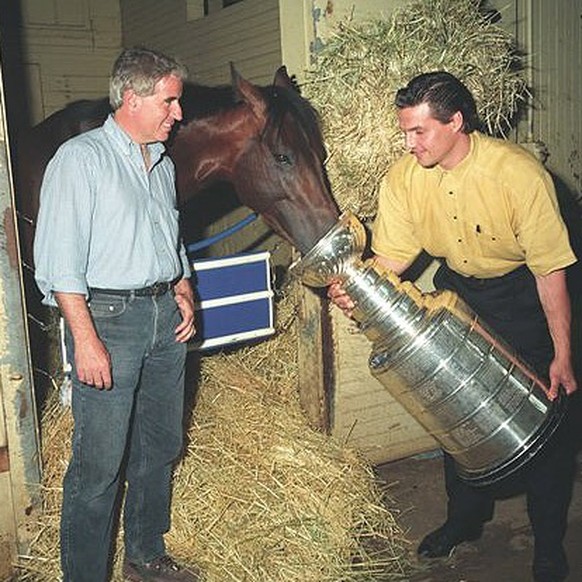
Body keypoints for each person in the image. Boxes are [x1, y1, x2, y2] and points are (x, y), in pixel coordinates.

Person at [328, 71, 578, 582]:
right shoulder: (403, 177)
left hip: (525, 293)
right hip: (461, 292)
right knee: (454, 410)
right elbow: (393, 256)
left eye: (418, 131)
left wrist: (562, 353)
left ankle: (549, 543)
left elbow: (549, 270)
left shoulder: (517, 174)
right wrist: (355, 285)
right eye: (404, 131)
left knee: (550, 419)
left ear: (456, 122)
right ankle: (465, 521)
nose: (408, 142)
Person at [34, 47, 200, 582]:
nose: (178, 114)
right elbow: (59, 264)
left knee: (161, 446)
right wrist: (85, 339)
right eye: (170, 101)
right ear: (133, 98)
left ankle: (145, 555)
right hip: (108, 319)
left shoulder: (164, 165)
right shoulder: (81, 160)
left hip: (162, 319)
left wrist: (183, 288)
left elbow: (171, 241)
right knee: (99, 467)